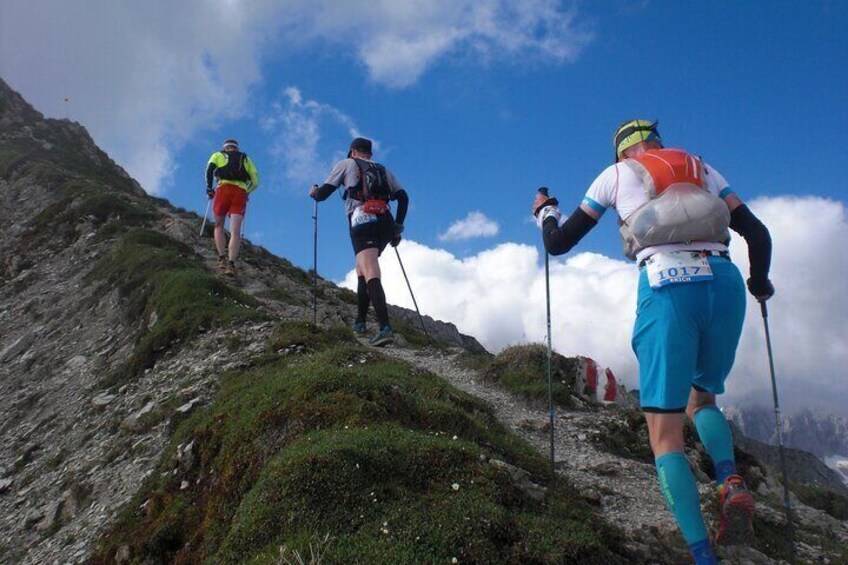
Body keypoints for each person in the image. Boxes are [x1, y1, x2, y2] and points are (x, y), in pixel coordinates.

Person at [532, 120, 774, 564]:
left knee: (665, 436)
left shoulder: (616, 175)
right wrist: (760, 283)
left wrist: (545, 213)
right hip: (724, 281)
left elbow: (560, 244)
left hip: (667, 285)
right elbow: (758, 235)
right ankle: (729, 480)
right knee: (702, 400)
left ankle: (704, 557)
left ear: (621, 152)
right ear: (660, 146)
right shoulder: (702, 169)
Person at [310, 137, 409, 346]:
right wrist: (397, 228)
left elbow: (323, 194)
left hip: (362, 219)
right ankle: (360, 322)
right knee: (361, 269)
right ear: (369, 153)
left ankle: (385, 328)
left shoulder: (346, 164)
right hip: (386, 221)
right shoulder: (382, 169)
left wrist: (314, 193)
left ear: (352, 151)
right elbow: (403, 197)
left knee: (370, 268)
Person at [205, 139, 260, 276]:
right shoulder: (245, 158)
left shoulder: (217, 155)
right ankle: (232, 264)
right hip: (239, 193)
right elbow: (255, 181)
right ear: (236, 148)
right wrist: (247, 192)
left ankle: (221, 258)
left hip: (222, 190)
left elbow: (209, 171)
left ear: (225, 148)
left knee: (218, 225)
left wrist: (209, 189)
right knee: (235, 231)